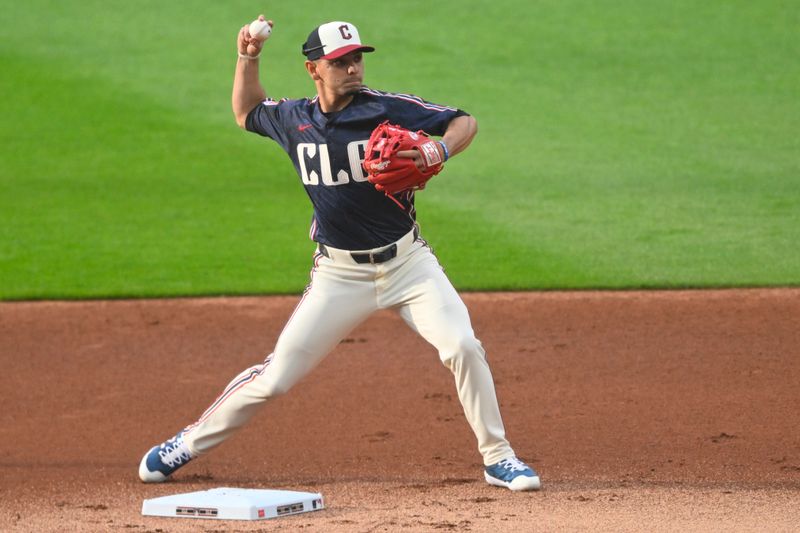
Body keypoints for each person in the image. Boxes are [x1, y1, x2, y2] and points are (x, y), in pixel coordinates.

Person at [138, 16, 540, 492]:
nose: (353, 68)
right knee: (276, 378)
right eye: (340, 62)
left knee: (463, 346)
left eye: (356, 59)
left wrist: (440, 151)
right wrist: (247, 56)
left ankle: (498, 458)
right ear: (314, 69)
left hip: (409, 265)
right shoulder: (293, 119)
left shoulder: (386, 109)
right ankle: (187, 442)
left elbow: (463, 121)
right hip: (338, 276)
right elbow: (246, 112)